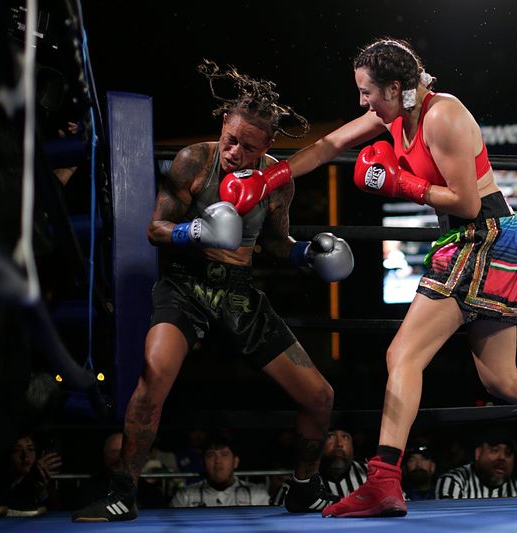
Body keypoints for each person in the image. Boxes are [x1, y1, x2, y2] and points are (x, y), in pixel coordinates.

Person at [224, 38, 517, 517]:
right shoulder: (394, 113)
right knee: (502, 378)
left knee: (402, 353)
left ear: (396, 86)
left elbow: (464, 202)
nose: (362, 102)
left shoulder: (443, 116)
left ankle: (383, 480)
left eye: (367, 92)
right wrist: (267, 179)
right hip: (484, 240)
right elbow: (329, 145)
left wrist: (401, 184)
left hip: (479, 235)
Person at [71, 61, 352, 521]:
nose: (235, 152)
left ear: (268, 148)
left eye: (249, 147)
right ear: (224, 122)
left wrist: (309, 254)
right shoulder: (195, 160)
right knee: (152, 379)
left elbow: (277, 245)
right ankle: (122, 492)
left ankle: (303, 487)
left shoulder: (277, 182)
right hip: (185, 285)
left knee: (320, 396)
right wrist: (195, 232)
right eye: (232, 138)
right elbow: (155, 228)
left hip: (239, 294)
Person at [273, 427, 367, 505]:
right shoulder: (300, 481)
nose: (339, 444)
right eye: (330, 436)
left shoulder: (369, 473)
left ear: (353, 446)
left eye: (345, 437)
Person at [435, 427, 517, 499]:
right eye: (494, 450)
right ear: (478, 453)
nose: (502, 458)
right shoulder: (453, 482)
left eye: (508, 453)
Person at [170, 436, 269, 507]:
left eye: (224, 455)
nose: (217, 461)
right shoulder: (185, 495)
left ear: (235, 462)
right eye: (211, 455)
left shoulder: (256, 494)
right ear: (203, 462)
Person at [5, 434, 63, 516]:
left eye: (30, 449)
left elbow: (56, 511)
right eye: (17, 450)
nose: (25, 456)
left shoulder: (41, 479)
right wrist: (31, 479)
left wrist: (42, 490)